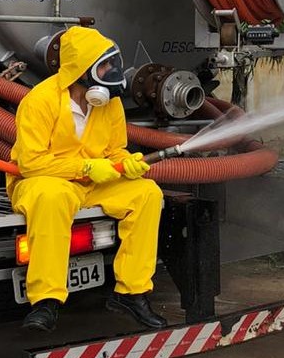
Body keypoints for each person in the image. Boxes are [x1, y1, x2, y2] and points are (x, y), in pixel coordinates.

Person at [9, 26, 166, 332]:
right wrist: (86, 168)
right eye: (105, 64)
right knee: (53, 197)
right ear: (80, 69)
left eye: (112, 63)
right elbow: (31, 162)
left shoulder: (109, 103)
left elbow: (114, 150)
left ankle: (132, 292)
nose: (112, 71)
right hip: (43, 180)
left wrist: (127, 163)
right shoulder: (39, 100)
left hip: (92, 184)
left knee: (147, 193)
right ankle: (46, 301)